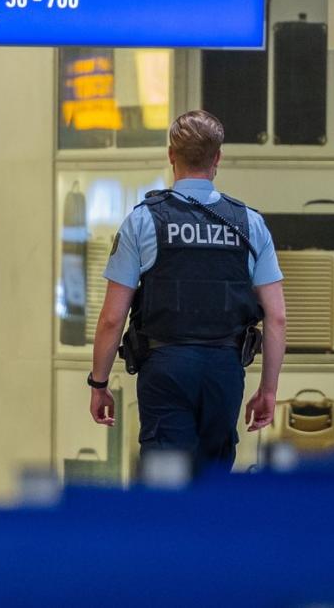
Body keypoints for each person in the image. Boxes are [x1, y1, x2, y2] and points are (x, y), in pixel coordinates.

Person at [87, 111, 286, 471]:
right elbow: (277, 316)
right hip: (224, 368)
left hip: (166, 368)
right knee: (215, 485)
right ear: (218, 158)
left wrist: (98, 383)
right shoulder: (249, 224)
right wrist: (268, 390)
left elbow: (112, 317)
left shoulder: (143, 220)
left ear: (170, 155)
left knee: (165, 483)